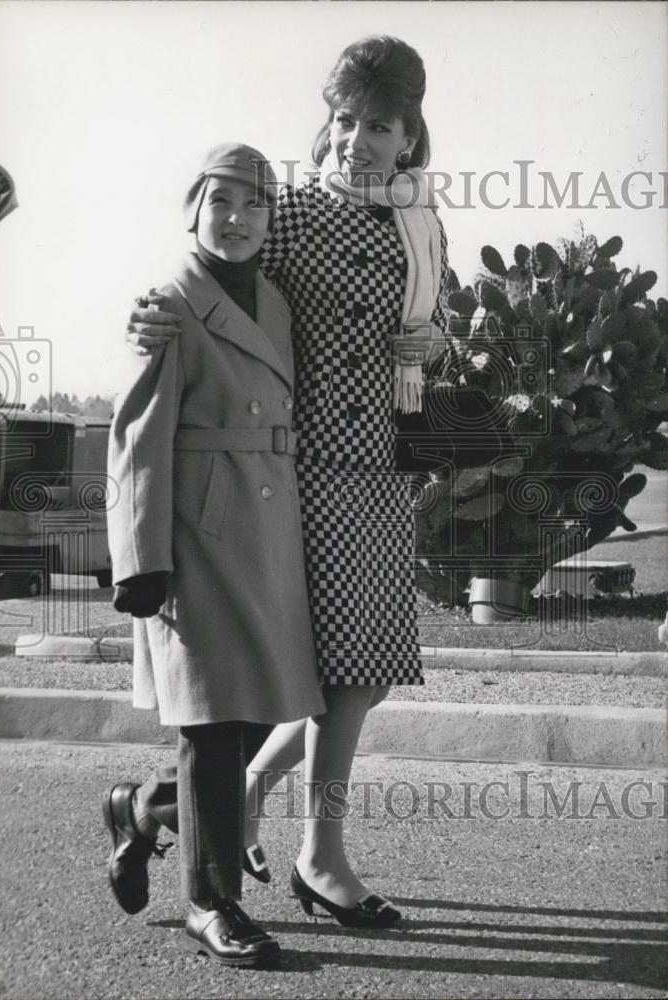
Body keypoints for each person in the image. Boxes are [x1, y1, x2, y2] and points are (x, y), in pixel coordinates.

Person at [124, 35, 449, 927]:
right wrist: (151, 310)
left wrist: (436, 340)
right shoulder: (297, 212)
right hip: (293, 470)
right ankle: (320, 856)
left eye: (377, 125)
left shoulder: (421, 222)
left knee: (357, 673)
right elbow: (217, 269)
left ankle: (165, 808)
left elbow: (437, 316)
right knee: (340, 673)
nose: (357, 141)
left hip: (381, 467)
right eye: (345, 121)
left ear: (410, 134)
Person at [104, 141, 325, 967]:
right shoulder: (170, 300)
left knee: (263, 707)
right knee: (211, 719)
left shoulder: (274, 297)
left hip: (268, 525)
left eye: (254, 205)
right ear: (192, 208)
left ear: (272, 218)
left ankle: (146, 810)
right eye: (221, 202)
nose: (237, 220)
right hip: (198, 530)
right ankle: (210, 900)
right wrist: (139, 557)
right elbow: (135, 435)